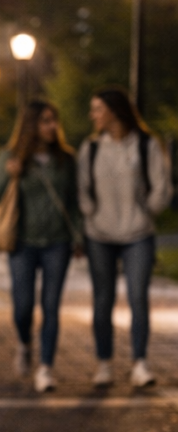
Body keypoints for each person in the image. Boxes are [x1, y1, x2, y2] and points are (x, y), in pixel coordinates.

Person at [78, 87, 173, 389]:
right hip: (100, 235)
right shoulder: (91, 147)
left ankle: (140, 363)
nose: (93, 115)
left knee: (137, 298)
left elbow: (162, 185)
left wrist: (150, 211)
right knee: (103, 300)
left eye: (97, 109)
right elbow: (82, 187)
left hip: (138, 234)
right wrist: (89, 211)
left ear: (114, 112)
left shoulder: (147, 145)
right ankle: (104, 363)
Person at [0, 99, 81, 394]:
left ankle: (46, 368)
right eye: (45, 121)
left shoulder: (66, 159)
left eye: (54, 120)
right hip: (23, 243)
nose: (52, 126)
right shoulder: (10, 156)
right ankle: (25, 343)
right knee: (23, 306)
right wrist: (9, 173)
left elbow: (74, 202)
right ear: (31, 125)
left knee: (51, 306)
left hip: (58, 243)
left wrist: (78, 236)